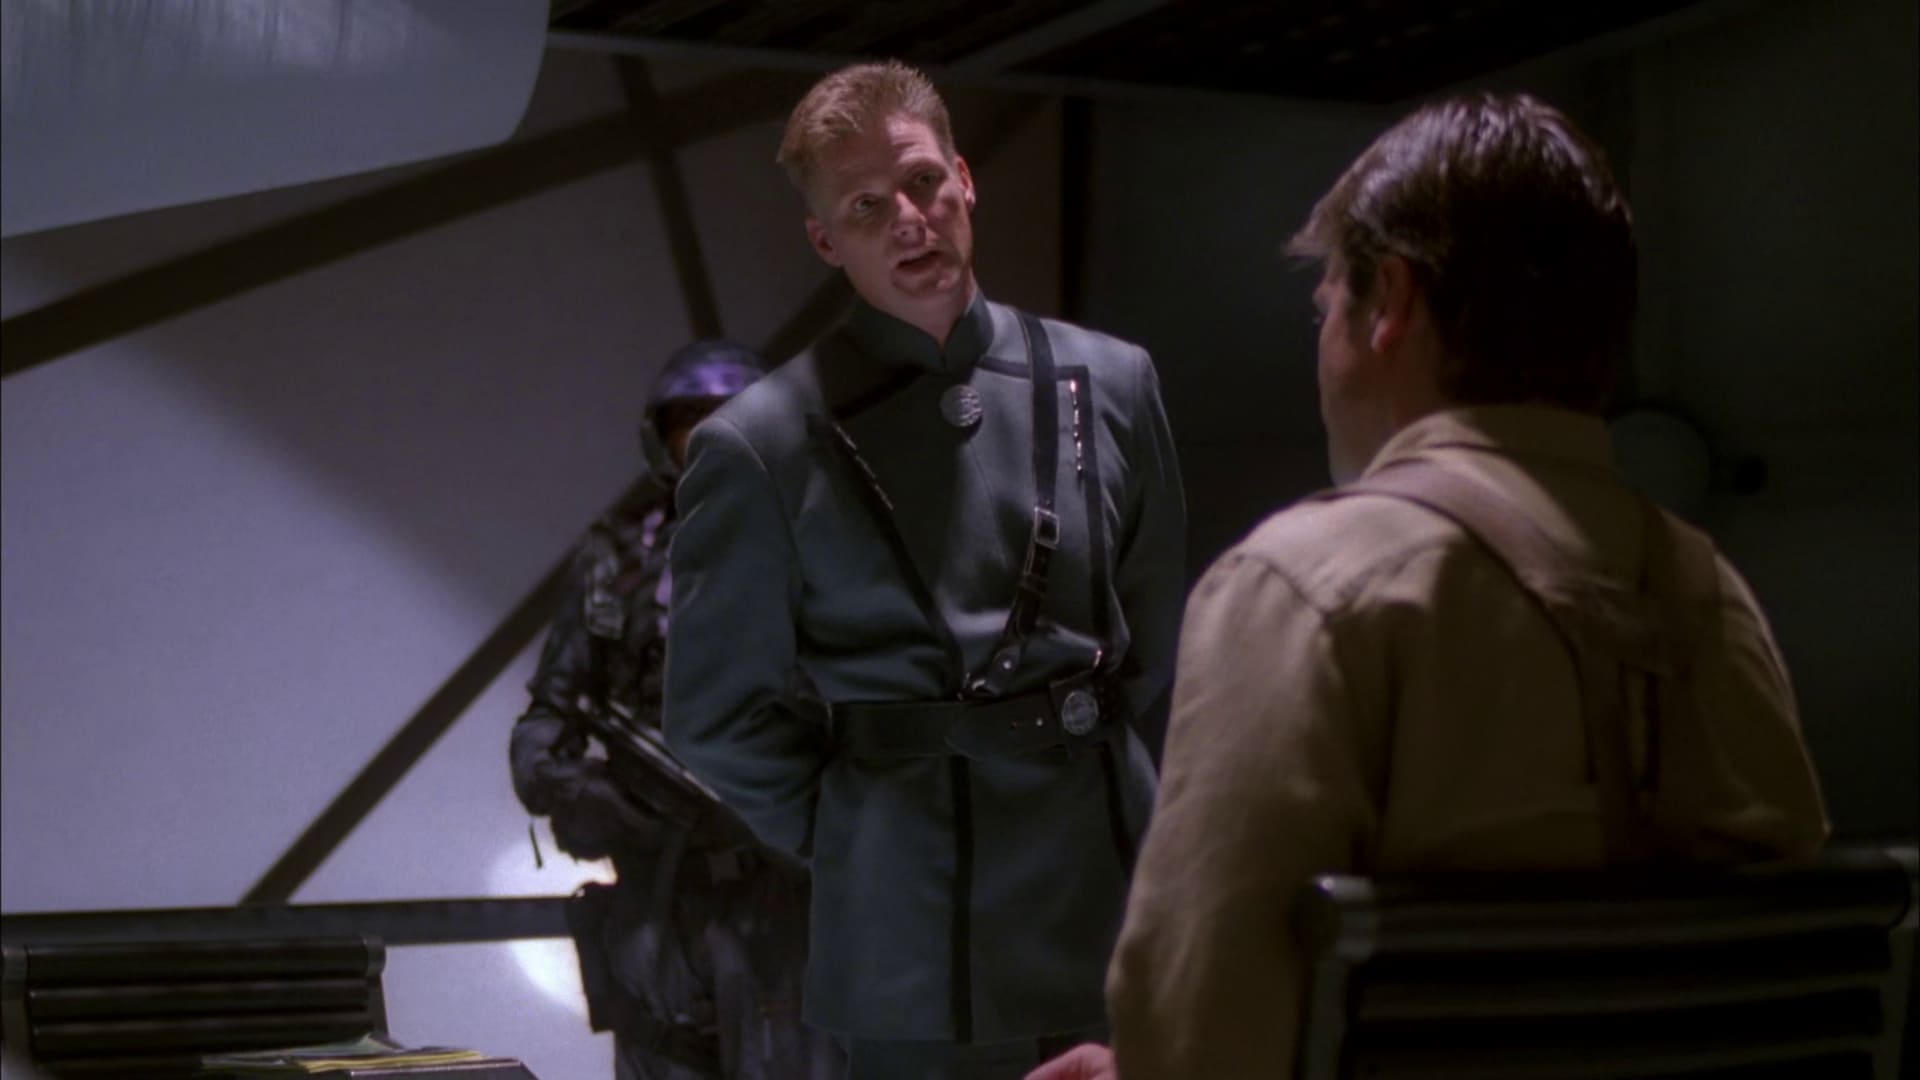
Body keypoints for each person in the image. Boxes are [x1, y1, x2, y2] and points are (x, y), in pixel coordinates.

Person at [1032, 92, 1831, 1080]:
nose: (1322, 349)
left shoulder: (1303, 587)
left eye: (1328, 306)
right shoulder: (1712, 598)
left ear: (1392, 305)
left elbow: (1202, 1040)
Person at [662, 60, 1187, 1079]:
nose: (907, 219)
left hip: (1111, 889)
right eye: (865, 205)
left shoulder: (1113, 381)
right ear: (825, 240)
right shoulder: (758, 444)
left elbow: (1156, 633)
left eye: (921, 183)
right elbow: (713, 716)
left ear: (964, 181)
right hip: (913, 934)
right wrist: (864, 835)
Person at [509, 340, 842, 1080]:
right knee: (659, 1051)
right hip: (653, 893)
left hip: (780, 890)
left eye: (730, 412)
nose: (708, 431)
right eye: (688, 416)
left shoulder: (827, 552)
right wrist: (576, 789)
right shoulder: (614, 559)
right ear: (659, 437)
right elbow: (545, 723)